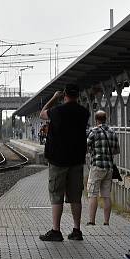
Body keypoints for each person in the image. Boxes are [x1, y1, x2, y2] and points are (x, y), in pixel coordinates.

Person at [38, 84, 90, 242]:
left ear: (64, 95)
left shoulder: (57, 111)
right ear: (78, 95)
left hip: (58, 159)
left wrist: (54, 98)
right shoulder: (84, 112)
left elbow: (41, 114)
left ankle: (56, 231)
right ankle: (76, 230)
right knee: (75, 196)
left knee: (56, 194)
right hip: (76, 159)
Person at [86, 110, 119, 226]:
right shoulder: (112, 132)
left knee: (92, 193)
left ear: (96, 120)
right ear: (106, 119)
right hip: (109, 167)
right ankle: (106, 222)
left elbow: (87, 147)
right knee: (106, 195)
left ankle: (91, 221)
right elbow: (116, 150)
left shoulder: (93, 132)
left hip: (96, 166)